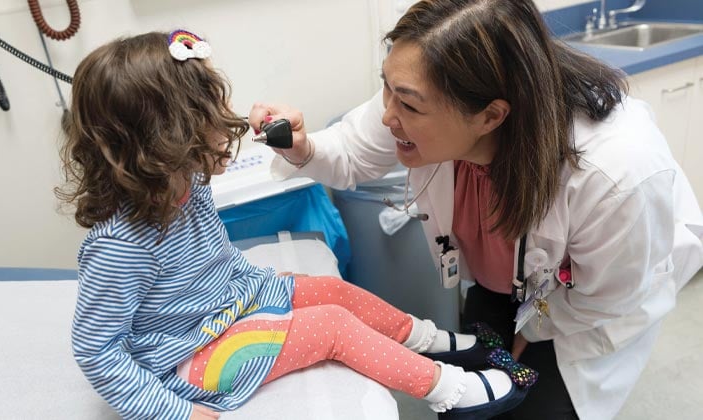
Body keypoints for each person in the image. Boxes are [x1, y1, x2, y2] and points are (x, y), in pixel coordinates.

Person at [248, 1, 703, 419]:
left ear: (491, 116)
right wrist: (304, 147)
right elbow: (350, 152)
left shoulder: (614, 174)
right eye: (386, 88)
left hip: (586, 307)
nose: (388, 115)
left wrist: (532, 333)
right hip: (503, 279)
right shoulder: (421, 91)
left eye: (406, 104)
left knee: (537, 408)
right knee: (476, 398)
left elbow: (608, 295)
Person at [56, 30, 540, 420]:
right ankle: (451, 391)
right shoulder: (119, 246)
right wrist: (173, 413)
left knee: (334, 292)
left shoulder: (189, 185)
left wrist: (275, 288)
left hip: (231, 308)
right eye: (208, 116)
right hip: (188, 361)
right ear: (164, 140)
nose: (227, 126)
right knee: (331, 326)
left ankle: (432, 342)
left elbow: (219, 265)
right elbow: (98, 351)